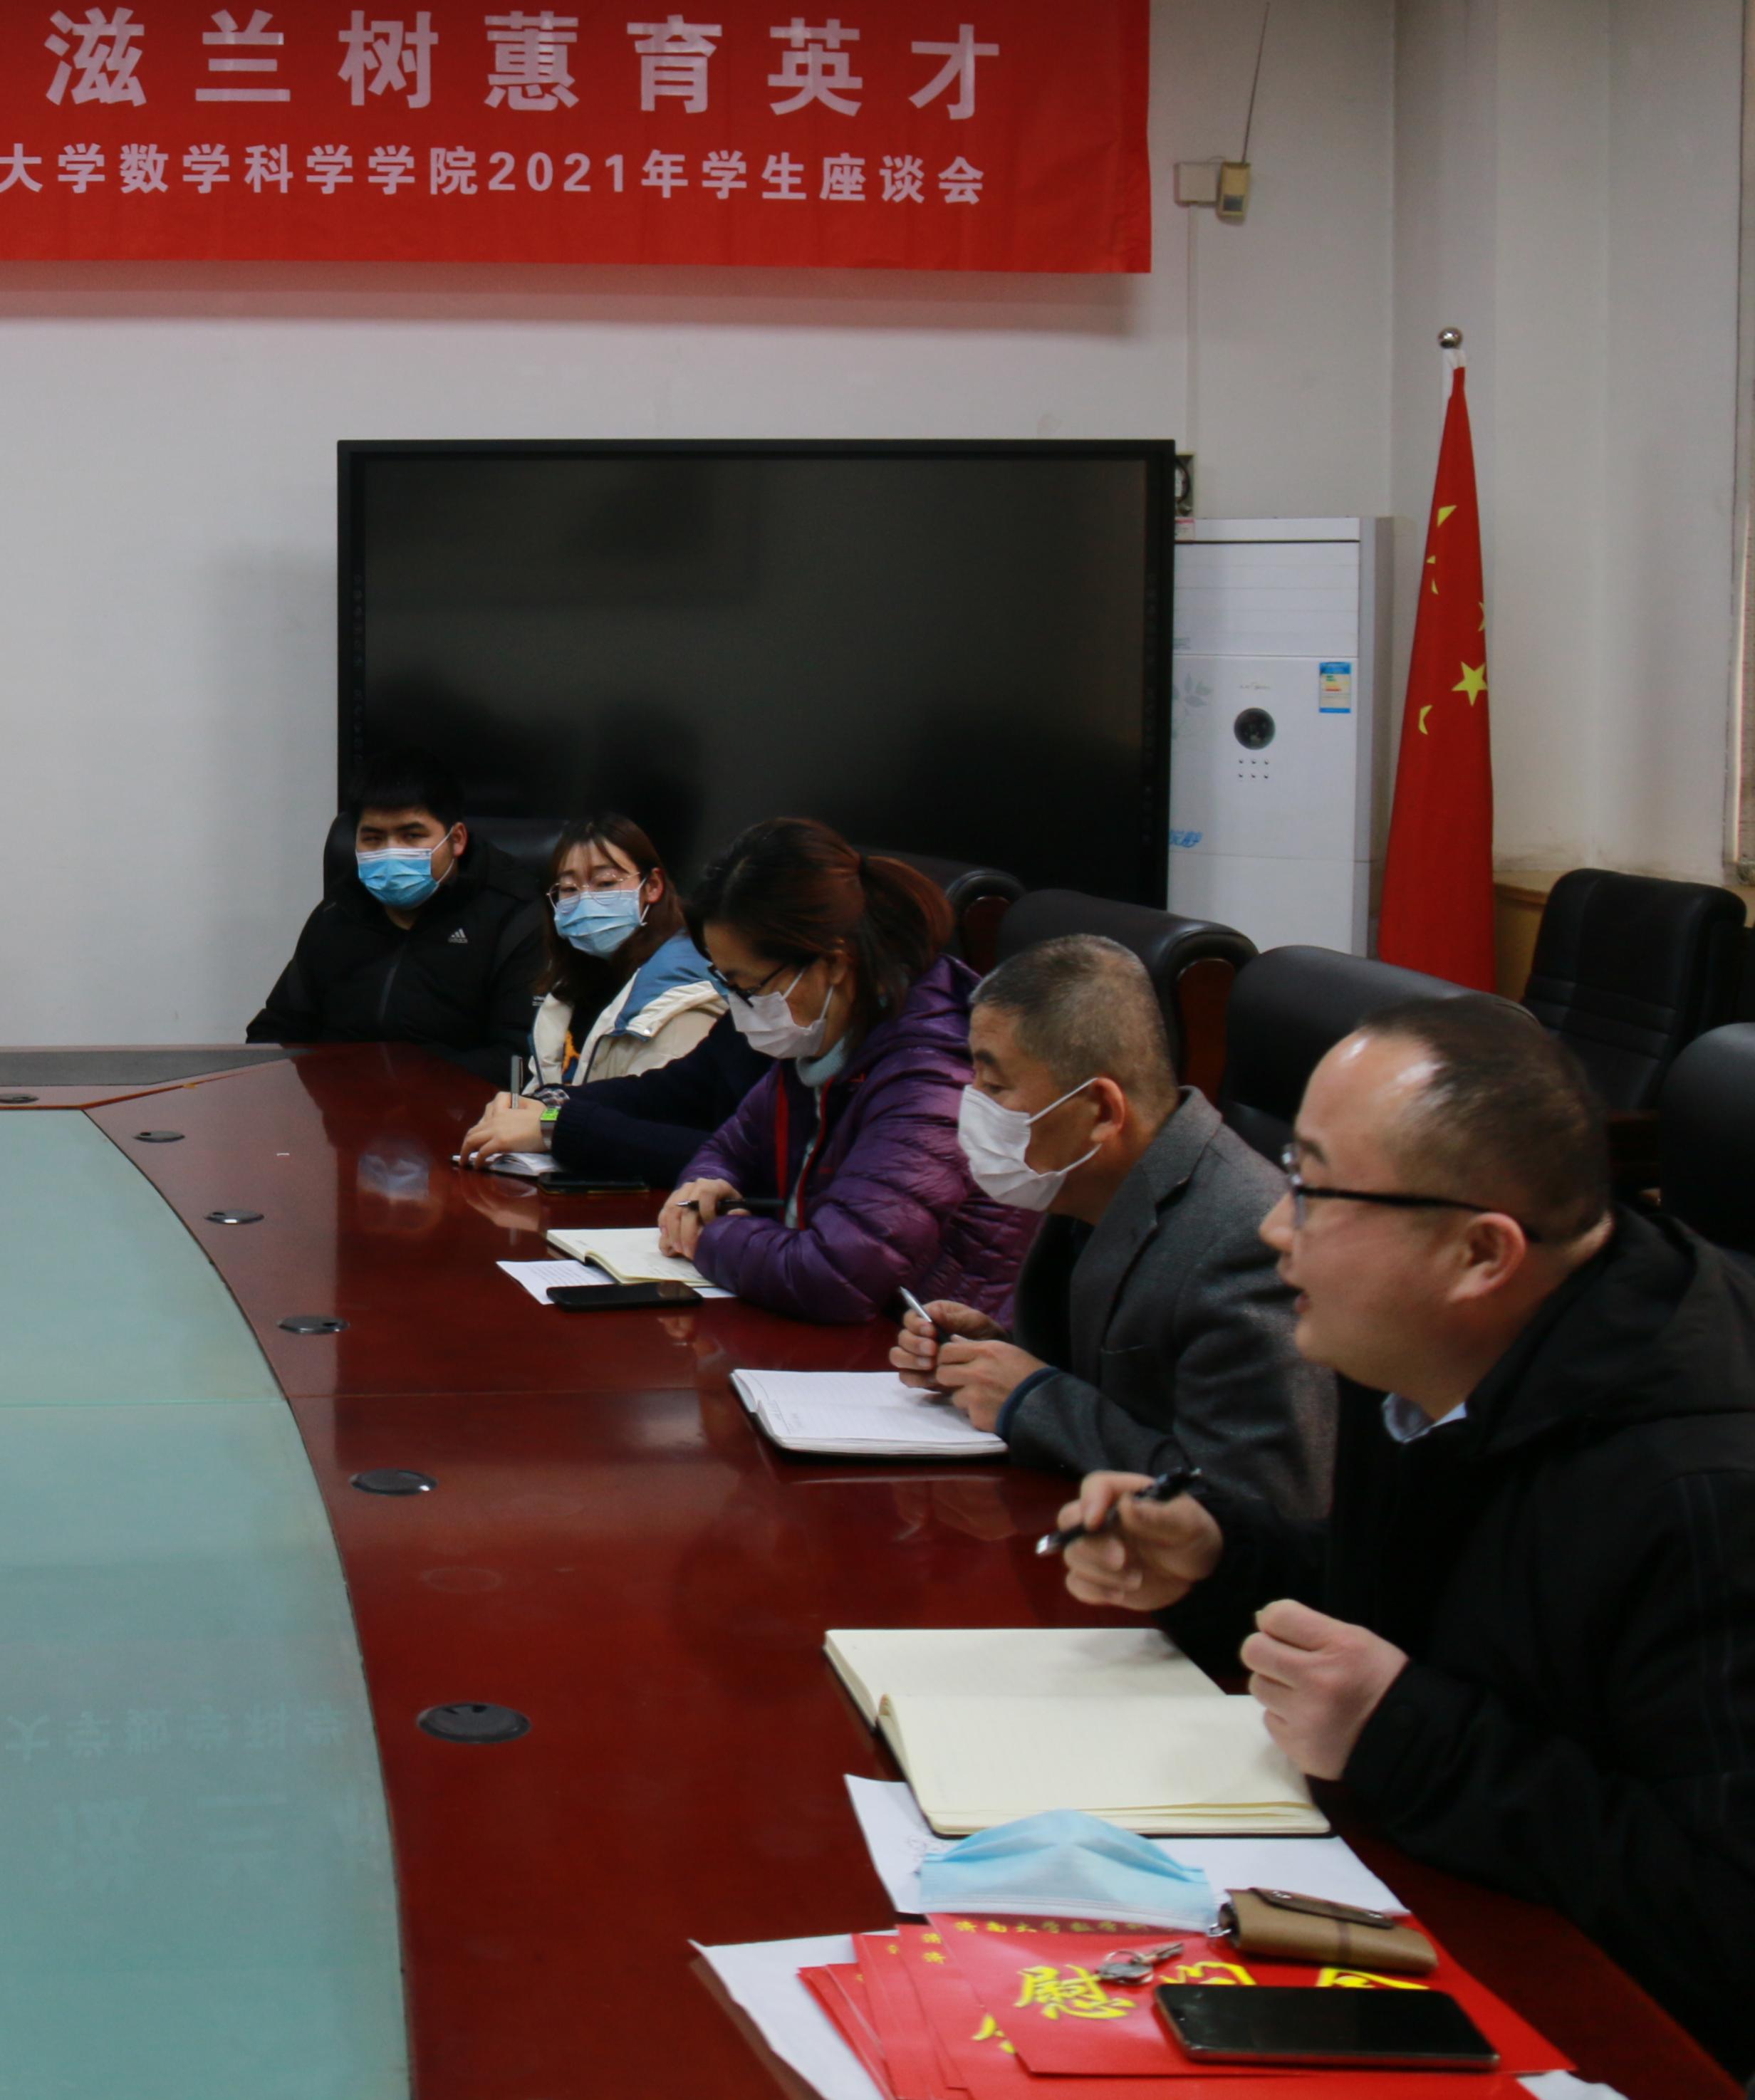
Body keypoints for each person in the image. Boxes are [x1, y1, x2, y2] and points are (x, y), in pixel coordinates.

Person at [1055, 996, 1755, 2074]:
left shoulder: (1705, 1491)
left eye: (1314, 1190)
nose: (1273, 1227)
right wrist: (1218, 1559)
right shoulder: (1424, 1344)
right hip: (1418, 1915)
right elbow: (1417, 1610)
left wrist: (1400, 1735)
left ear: (1478, 1252)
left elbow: (1723, 1919)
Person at [890, 934, 1333, 1518]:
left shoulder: (1245, 1244)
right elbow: (1128, 1389)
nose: (970, 1104)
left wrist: (1032, 1399)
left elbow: (1251, 1507)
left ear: (1101, 1110)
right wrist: (995, 1356)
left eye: (995, 1087)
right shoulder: (1091, 1186)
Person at [655, 818, 1038, 1320]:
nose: (741, 1005)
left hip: (927, 1348)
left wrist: (711, 1234)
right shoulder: (830, 1039)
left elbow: (836, 1273)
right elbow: (730, 1146)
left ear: (834, 963)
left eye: (749, 987)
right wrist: (705, 1186)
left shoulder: (932, 1076)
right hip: (859, 1337)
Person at [455, 812, 758, 1186]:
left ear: (652, 887)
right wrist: (544, 1106)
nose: (586, 900)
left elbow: (673, 1135)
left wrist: (550, 1126)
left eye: (605, 883)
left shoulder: (692, 999)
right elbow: (654, 1091)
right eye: (569, 889)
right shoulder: (568, 988)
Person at [245, 770, 550, 1081]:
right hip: (343, 1102)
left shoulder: (514, 918)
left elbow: (522, 1058)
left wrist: (403, 1085)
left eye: (412, 836)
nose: (391, 853)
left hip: (460, 1105)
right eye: (373, 839)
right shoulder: (337, 913)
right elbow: (275, 1030)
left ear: (457, 839)